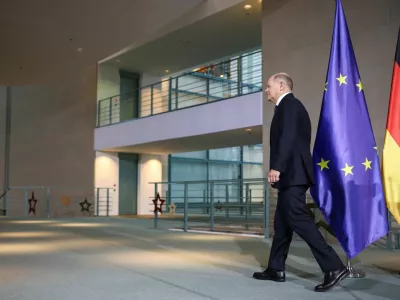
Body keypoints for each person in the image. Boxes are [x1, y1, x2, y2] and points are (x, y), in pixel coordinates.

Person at [252, 73, 349, 292]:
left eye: (268, 86)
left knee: (298, 218)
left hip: (292, 173)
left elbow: (287, 138)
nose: (266, 90)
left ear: (281, 85)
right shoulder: (287, 106)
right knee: (282, 224)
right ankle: (276, 268)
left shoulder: (290, 105)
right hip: (292, 173)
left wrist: (277, 166)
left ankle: (334, 267)